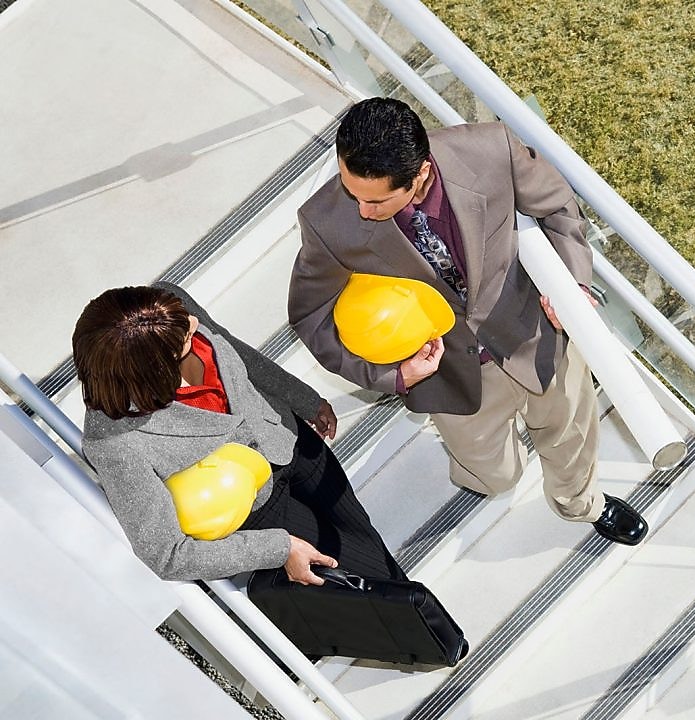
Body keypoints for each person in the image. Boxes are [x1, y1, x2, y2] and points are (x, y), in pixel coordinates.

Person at [288, 97, 647, 545]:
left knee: (570, 434)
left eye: (376, 201)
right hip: (448, 376)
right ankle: (487, 476)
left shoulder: (492, 149)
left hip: (535, 333)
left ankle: (582, 504)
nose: (361, 209)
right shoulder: (326, 222)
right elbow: (310, 314)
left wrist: (573, 284)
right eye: (352, 191)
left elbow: (557, 208)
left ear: (419, 174)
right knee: (495, 476)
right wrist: (394, 375)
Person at [75, 282, 407, 586]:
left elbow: (237, 351)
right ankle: (438, 637)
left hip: (291, 440)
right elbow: (167, 556)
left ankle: (431, 620)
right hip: (261, 508)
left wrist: (303, 399)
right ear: (153, 368)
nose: (193, 323)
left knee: (362, 533)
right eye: (185, 339)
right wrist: (279, 548)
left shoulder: (169, 307)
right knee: (365, 573)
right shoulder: (114, 441)